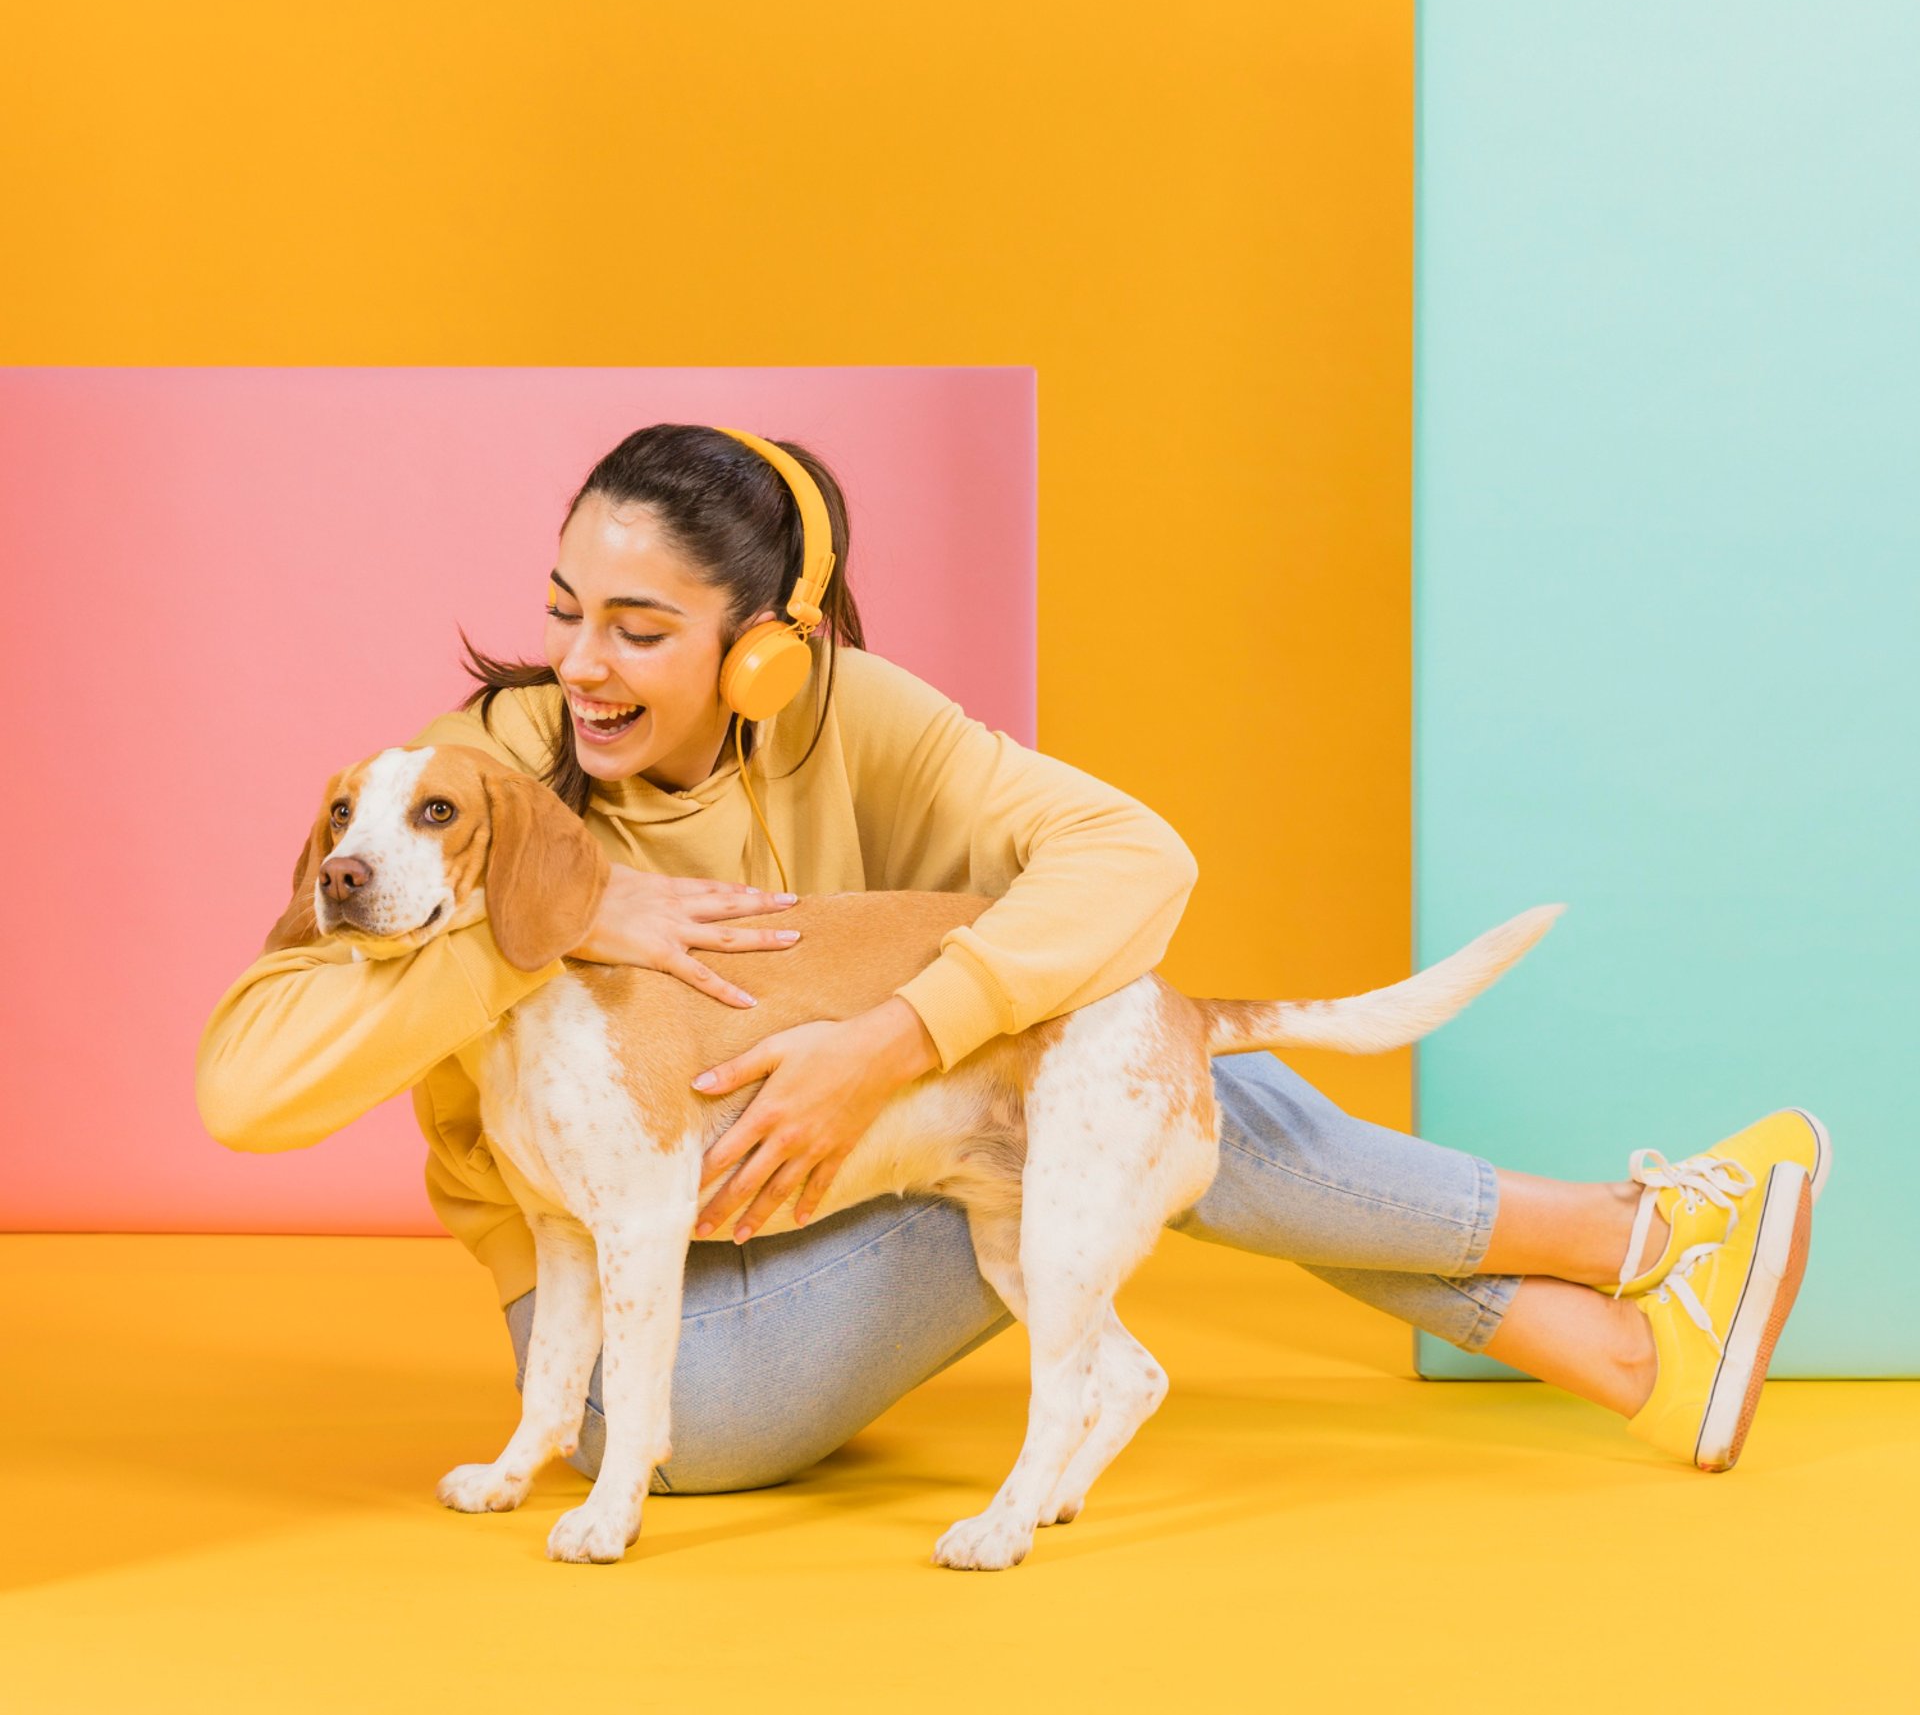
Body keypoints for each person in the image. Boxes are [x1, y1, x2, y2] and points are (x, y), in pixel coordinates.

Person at [195, 422, 1826, 1500]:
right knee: (1126, 1063)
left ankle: (1618, 1342)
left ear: (762, 650)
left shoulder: (853, 720)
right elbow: (246, 1089)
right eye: (567, 612)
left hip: (833, 1209)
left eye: (639, 627)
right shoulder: (477, 783)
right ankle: (1624, 1241)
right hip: (672, 1373)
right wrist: (544, 924)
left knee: (1116, 1049)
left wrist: (899, 1038)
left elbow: (1141, 860)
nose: (581, 665)